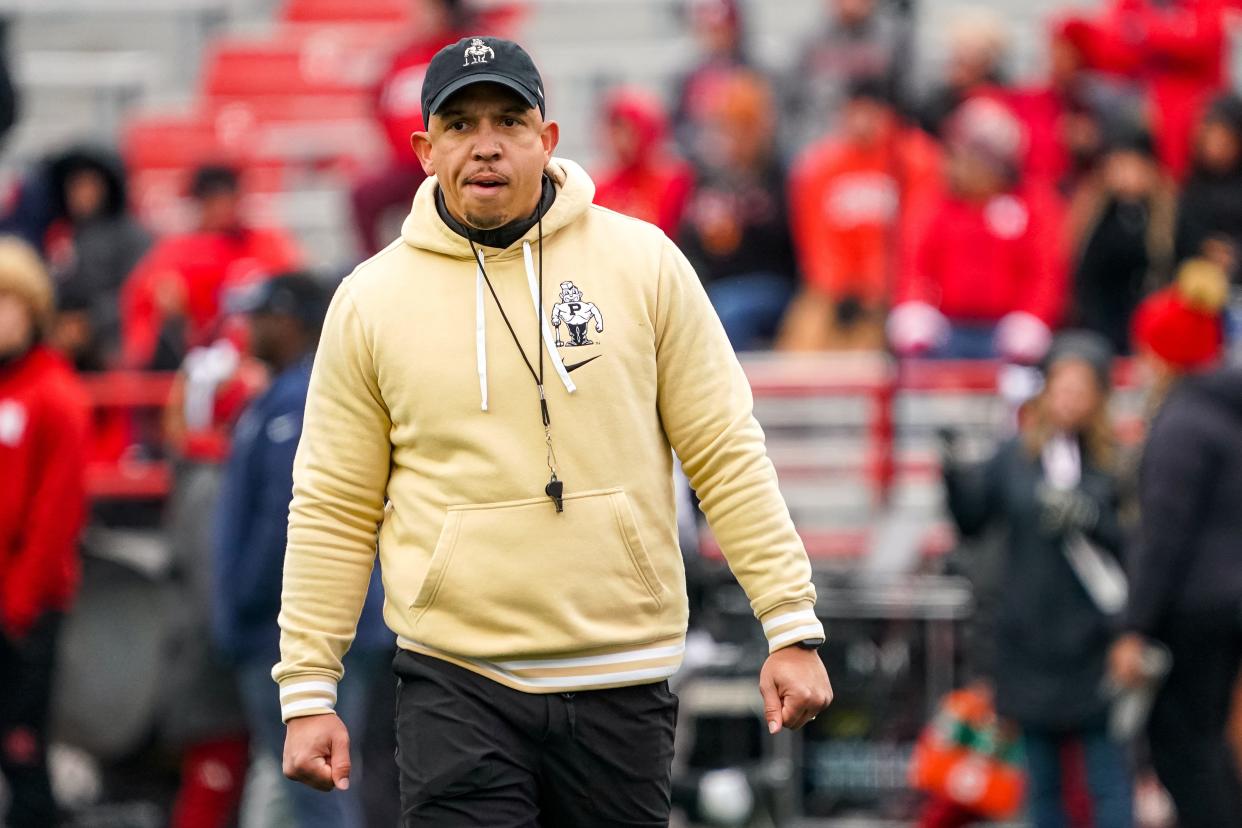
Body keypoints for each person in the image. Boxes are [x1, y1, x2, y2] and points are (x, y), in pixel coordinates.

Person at [276, 36, 832, 824]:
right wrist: (307, 688)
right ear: (425, 149)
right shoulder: (370, 301)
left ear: (548, 139)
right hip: (455, 680)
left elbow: (726, 450)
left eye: (509, 119)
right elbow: (333, 506)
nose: (487, 143)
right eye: (462, 125)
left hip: (621, 676)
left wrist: (789, 625)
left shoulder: (644, 263)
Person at [214, 274, 389, 828]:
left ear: (290, 320)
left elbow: (287, 523)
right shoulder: (283, 394)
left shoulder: (303, 398)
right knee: (293, 789)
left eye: (261, 314)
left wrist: (242, 603)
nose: (249, 327)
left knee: (319, 790)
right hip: (295, 630)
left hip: (296, 633)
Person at [943, 331, 1133, 828]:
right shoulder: (1015, 458)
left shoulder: (1115, 464)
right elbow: (973, 519)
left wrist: (1090, 516)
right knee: (1041, 784)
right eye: (1060, 385)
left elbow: (1135, 546)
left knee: (1107, 779)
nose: (1069, 397)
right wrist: (953, 469)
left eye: (1081, 387)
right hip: (1029, 641)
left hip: (1093, 642)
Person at [1109, 259, 1241, 828]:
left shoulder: (1182, 424)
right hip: (1226, 601)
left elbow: (1163, 535)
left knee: (1183, 747)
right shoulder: (1223, 415)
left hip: (1193, 607)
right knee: (1207, 739)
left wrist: (1135, 626)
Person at [0, 237, 91, 827]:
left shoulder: (55, 394)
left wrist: (16, 607)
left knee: (22, 753)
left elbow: (55, 517)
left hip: (23, 613)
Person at [889, 97, 1067, 362]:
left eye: (965, 159)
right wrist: (915, 308)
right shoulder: (934, 202)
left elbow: (1046, 272)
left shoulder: (1034, 205)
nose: (953, 167)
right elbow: (914, 264)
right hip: (945, 330)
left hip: (1006, 335)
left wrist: (1032, 317)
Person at [780, 77, 940, 351]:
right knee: (807, 334)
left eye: (870, 111)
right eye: (855, 110)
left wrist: (877, 285)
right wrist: (839, 287)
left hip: (895, 289)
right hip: (835, 290)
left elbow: (920, 233)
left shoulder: (915, 159)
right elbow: (816, 240)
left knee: (869, 344)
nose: (862, 121)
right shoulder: (821, 165)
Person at [121, 164, 301, 370]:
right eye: (213, 201)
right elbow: (143, 317)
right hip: (191, 359)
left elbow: (294, 291)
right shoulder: (176, 252)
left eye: (228, 200)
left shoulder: (265, 244)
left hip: (259, 358)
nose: (222, 210)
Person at [679, 67, 797, 350]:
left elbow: (791, 245)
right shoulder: (707, 176)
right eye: (727, 126)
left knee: (727, 310)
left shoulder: (780, 175)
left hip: (773, 283)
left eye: (744, 126)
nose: (734, 136)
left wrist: (743, 227)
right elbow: (686, 241)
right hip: (718, 282)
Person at [350, 0, 475, 256]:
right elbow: (378, 102)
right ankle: (372, 266)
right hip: (408, 164)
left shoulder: (466, 51)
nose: (418, 18)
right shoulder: (403, 56)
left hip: (457, 160)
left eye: (427, 11)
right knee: (364, 196)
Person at [1058, 0, 1227, 180]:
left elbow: (1201, 43)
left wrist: (1147, 29)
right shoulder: (1132, 5)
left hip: (1195, 104)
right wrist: (1074, 31)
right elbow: (1112, 48)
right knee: (1089, 103)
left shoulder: (1206, 6)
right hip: (1144, 99)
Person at [1066, 128, 1175, 354]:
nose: (1126, 174)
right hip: (1099, 326)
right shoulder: (1094, 215)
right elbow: (1086, 276)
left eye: (1133, 166)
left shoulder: (1168, 216)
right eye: (1118, 166)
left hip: (1149, 328)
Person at [44, 145, 153, 371]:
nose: (82, 193)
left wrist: (89, 322)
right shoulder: (58, 234)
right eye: (75, 185)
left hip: (114, 348)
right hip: (63, 349)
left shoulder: (131, 235)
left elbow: (138, 293)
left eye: (90, 184)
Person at [781, 0, 902, 156]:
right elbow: (790, 106)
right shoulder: (810, 42)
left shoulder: (892, 41)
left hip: (875, 151)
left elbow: (904, 107)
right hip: (819, 147)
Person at [593, 86, 694, 238]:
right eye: (616, 130)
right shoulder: (601, 184)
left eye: (629, 130)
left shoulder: (673, 180)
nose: (621, 140)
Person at [671, 0, 750, 163]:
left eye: (721, 30)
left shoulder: (753, 72)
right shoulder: (689, 76)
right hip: (701, 163)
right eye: (710, 30)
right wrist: (700, 144)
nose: (716, 37)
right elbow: (678, 127)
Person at [1175, 94, 1242, 279]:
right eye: (1209, 135)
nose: (1215, 146)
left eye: (1224, 137)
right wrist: (1203, 246)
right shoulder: (1192, 186)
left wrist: (1234, 255)